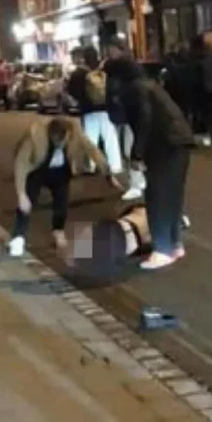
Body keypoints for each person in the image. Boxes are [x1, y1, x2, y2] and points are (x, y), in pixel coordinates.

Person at [106, 56, 195, 270]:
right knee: (172, 195)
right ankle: (173, 244)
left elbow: (143, 120)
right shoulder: (147, 85)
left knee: (157, 196)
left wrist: (137, 153)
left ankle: (162, 249)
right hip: (179, 140)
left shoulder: (133, 90)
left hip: (163, 145)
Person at [9, 115, 118, 258]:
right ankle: (18, 237)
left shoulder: (75, 131)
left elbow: (92, 150)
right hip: (37, 169)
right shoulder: (35, 134)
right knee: (26, 204)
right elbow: (21, 164)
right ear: (50, 134)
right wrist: (21, 194)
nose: (60, 144)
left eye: (63, 140)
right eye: (56, 140)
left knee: (62, 201)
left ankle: (58, 231)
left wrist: (108, 174)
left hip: (61, 171)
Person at [69, 203, 191, 280]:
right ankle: (83, 259)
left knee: (91, 236)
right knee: (99, 257)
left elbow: (125, 212)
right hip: (129, 241)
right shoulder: (164, 233)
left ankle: (80, 256)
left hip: (121, 227)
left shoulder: (144, 208)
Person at [67, 46, 122, 175]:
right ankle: (115, 165)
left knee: (91, 140)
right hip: (106, 109)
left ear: (84, 57)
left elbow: (71, 90)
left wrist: (81, 99)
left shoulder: (79, 73)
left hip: (88, 110)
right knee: (110, 138)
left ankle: (92, 165)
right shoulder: (104, 69)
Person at [104, 36, 147, 201]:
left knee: (130, 148)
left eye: (113, 49)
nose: (110, 52)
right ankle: (139, 180)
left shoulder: (127, 67)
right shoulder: (115, 67)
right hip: (122, 112)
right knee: (126, 148)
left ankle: (136, 183)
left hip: (130, 112)